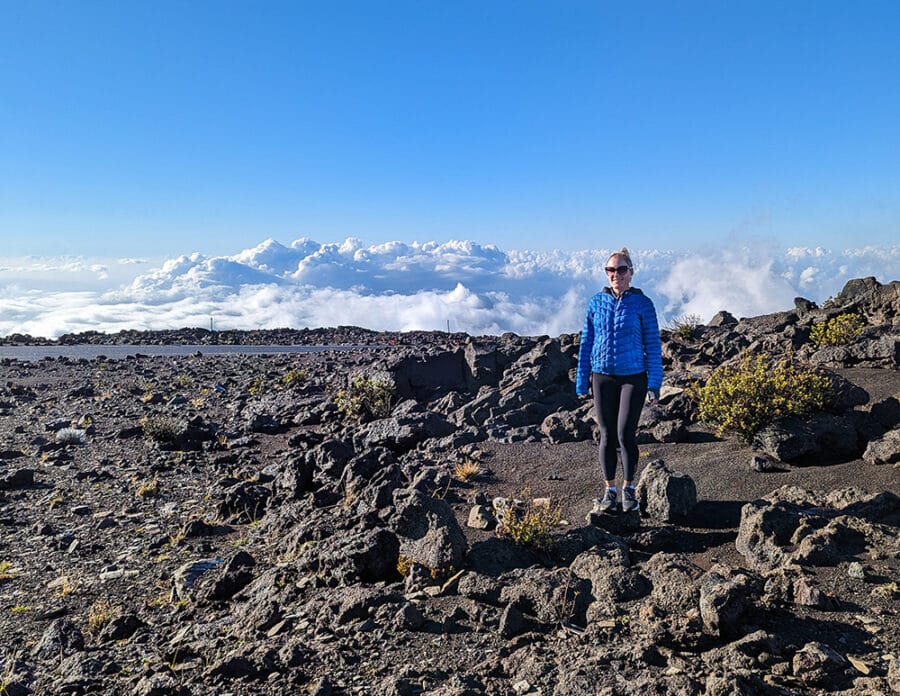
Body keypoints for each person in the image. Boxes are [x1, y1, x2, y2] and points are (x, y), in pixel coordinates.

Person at [575, 247, 662, 513]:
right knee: (606, 435)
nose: (616, 274)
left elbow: (653, 345)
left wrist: (654, 383)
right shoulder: (595, 302)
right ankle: (609, 490)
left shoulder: (643, 304)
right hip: (602, 376)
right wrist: (582, 379)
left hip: (633, 378)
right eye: (610, 270)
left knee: (625, 434)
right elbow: (586, 342)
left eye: (621, 269)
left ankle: (628, 488)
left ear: (631, 273)